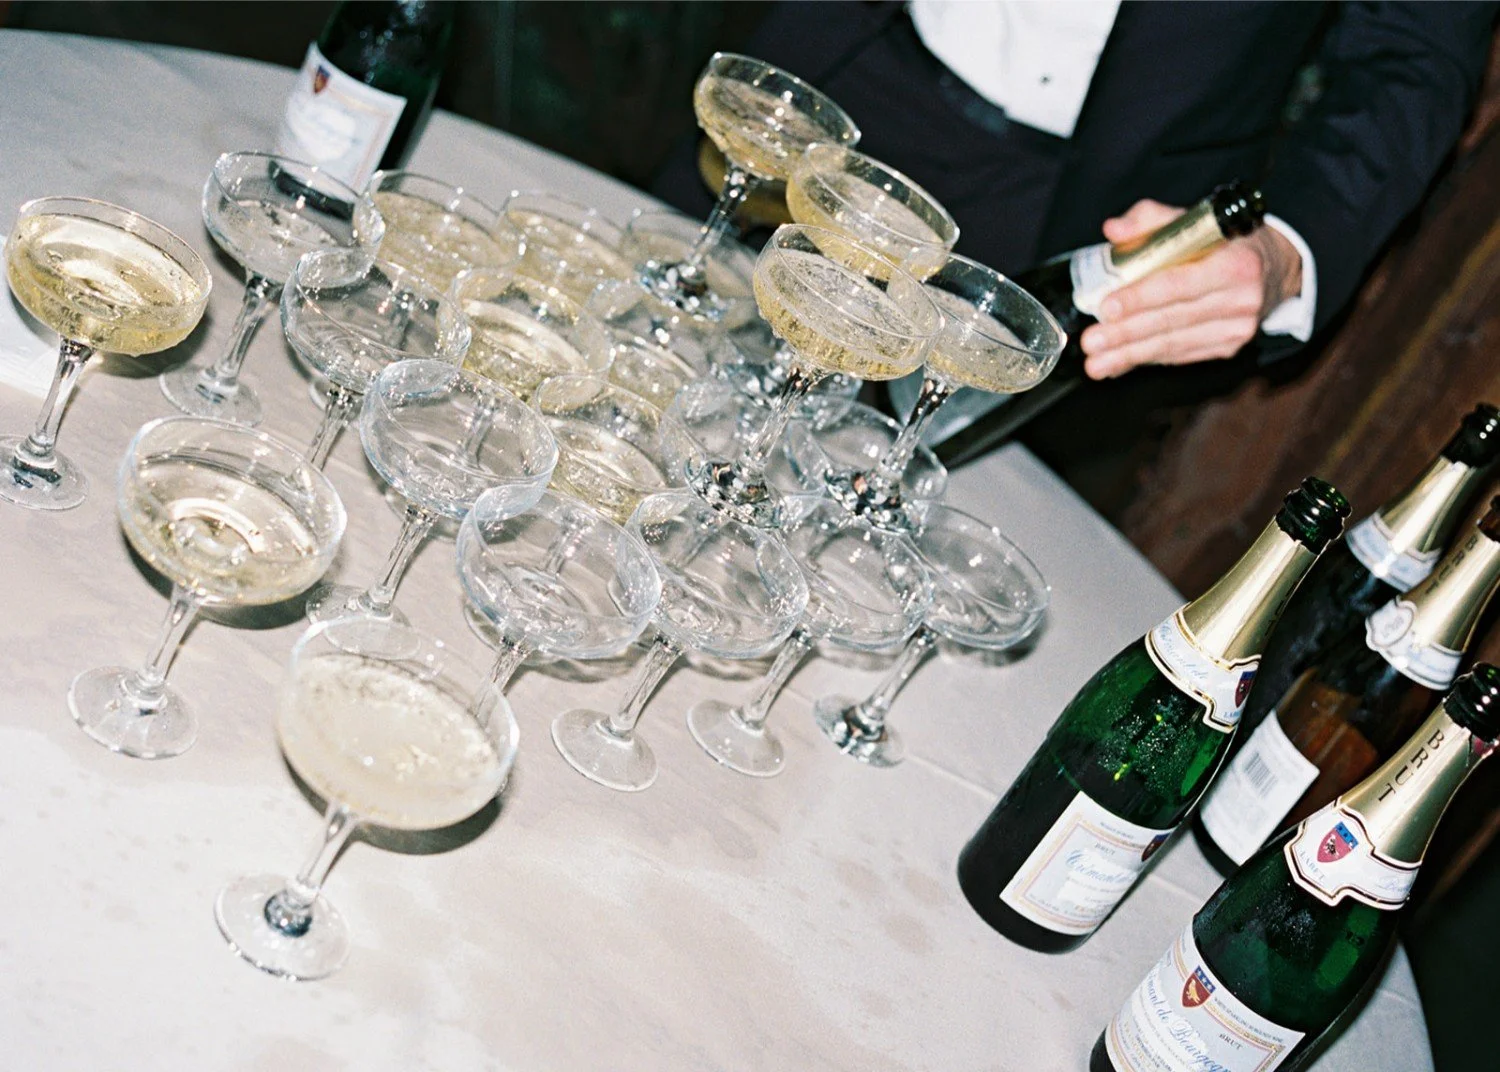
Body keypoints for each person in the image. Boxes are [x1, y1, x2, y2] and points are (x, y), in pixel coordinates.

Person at [653, 0, 1496, 394]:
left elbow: (1413, 57)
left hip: (1078, 222)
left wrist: (1286, 248)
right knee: (637, 353)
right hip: (832, 72)